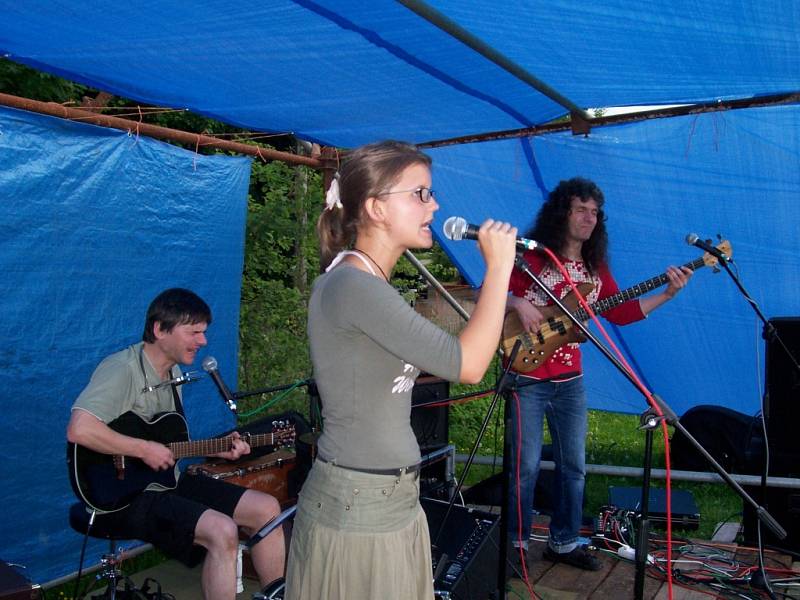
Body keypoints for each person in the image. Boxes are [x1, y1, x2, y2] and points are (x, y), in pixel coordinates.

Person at [284, 140, 518, 600]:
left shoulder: (367, 284)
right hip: (358, 508)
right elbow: (468, 364)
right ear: (376, 208)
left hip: (387, 503)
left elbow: (456, 350)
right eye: (421, 194)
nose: (435, 205)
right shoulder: (354, 286)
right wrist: (500, 270)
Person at [506, 177, 692, 571]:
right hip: (527, 374)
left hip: (570, 379)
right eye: (581, 209)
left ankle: (564, 541)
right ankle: (515, 543)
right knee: (524, 467)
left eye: (595, 212)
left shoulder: (595, 268)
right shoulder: (535, 258)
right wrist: (518, 302)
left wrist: (668, 293)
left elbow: (620, 312)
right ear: (563, 212)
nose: (589, 218)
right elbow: (491, 290)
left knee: (574, 466)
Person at [66, 288, 285, 600]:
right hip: (122, 495)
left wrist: (214, 449)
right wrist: (142, 449)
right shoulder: (122, 369)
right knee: (221, 530)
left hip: (164, 483)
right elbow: (79, 429)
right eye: (194, 332)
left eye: (204, 332)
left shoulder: (174, 374)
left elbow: (167, 444)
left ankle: (276, 595)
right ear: (159, 330)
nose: (203, 341)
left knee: (266, 508)